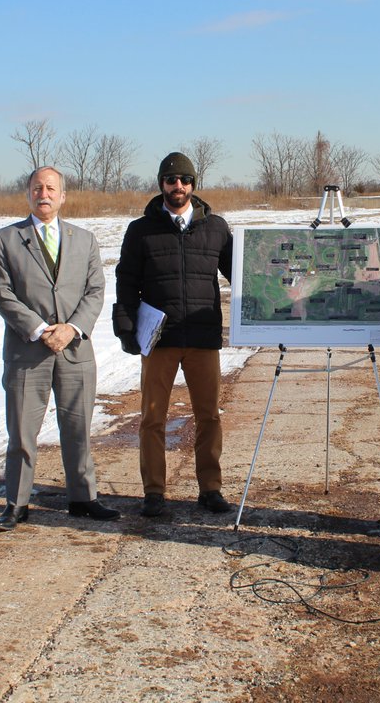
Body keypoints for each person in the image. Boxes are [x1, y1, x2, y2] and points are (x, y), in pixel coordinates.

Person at [0, 167, 119, 530]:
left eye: (51, 188)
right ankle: (16, 503)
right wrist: (40, 329)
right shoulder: (5, 239)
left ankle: (83, 498)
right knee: (22, 433)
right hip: (28, 352)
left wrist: (72, 328)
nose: (43, 194)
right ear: (28, 194)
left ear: (63, 196)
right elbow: (2, 292)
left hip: (75, 350)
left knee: (78, 429)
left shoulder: (84, 239)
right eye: (37, 188)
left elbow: (95, 290)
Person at [113, 152, 233, 518]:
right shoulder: (140, 230)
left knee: (208, 415)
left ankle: (210, 488)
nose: (177, 186)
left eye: (184, 179)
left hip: (201, 337)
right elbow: (126, 283)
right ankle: (154, 491)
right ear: (161, 184)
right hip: (159, 340)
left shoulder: (216, 228)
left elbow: (240, 276)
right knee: (152, 417)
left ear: (193, 184)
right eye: (170, 180)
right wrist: (126, 325)